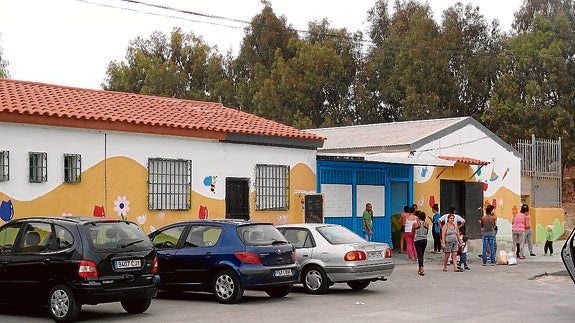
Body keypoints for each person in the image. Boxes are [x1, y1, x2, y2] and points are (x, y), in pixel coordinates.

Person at [413, 211, 429, 276]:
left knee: (419, 255)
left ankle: (422, 268)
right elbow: (427, 232)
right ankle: (420, 268)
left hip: (417, 240)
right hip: (424, 240)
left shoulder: (416, 224)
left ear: (418, 217)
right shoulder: (426, 224)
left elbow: (413, 231)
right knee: (421, 254)